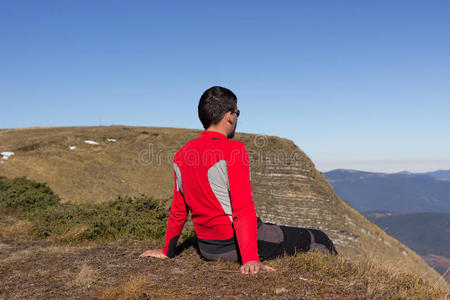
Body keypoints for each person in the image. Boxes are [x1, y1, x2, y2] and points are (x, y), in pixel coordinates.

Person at [140, 86, 338, 275]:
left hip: (207, 248)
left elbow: (178, 208)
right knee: (318, 238)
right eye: (237, 113)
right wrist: (250, 259)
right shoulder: (234, 150)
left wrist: (167, 251)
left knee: (264, 224)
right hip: (231, 246)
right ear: (229, 115)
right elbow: (242, 208)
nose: (236, 118)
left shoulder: (182, 154)